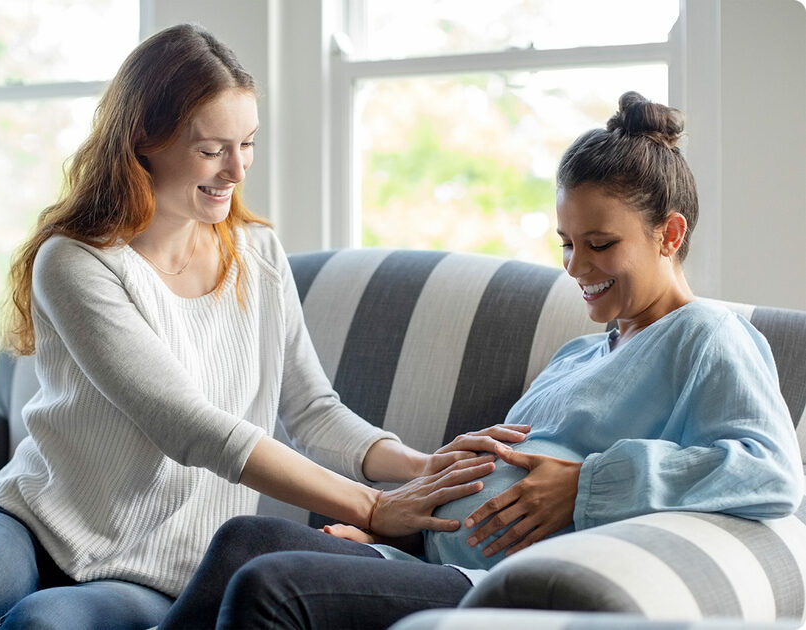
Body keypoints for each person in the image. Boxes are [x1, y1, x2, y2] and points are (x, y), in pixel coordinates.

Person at [0, 24, 524, 630]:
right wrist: (371, 507)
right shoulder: (76, 261)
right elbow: (189, 426)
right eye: (211, 149)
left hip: (166, 566)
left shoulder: (258, 255)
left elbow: (313, 411)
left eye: (247, 144)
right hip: (33, 522)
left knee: (45, 623)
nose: (237, 169)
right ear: (144, 141)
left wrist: (420, 467)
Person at [157, 91, 805, 630]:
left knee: (272, 585)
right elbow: (497, 483)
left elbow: (770, 473)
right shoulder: (579, 355)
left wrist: (587, 486)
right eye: (566, 243)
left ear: (670, 234)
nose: (575, 267)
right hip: (426, 557)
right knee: (244, 541)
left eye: (600, 244)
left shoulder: (705, 336)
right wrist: (394, 535)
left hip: (490, 582)